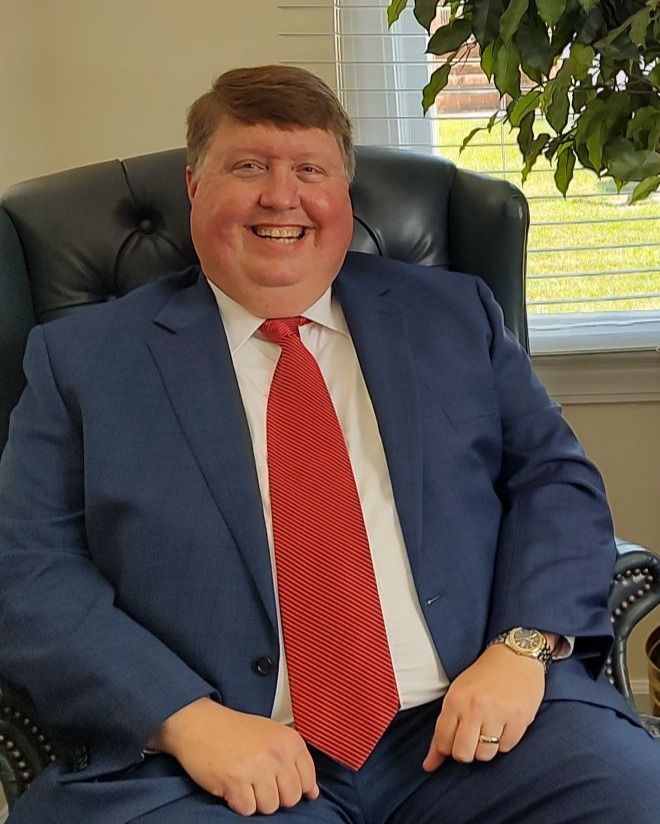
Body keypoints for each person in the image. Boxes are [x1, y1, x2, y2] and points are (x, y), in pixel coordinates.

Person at [0, 65, 658, 824]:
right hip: (210, 760)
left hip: (479, 726)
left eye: (310, 169)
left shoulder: (451, 315)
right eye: (248, 167)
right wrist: (185, 718)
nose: (282, 196)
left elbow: (556, 480)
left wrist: (522, 646)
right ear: (193, 186)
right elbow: (28, 571)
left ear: (342, 192)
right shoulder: (84, 359)